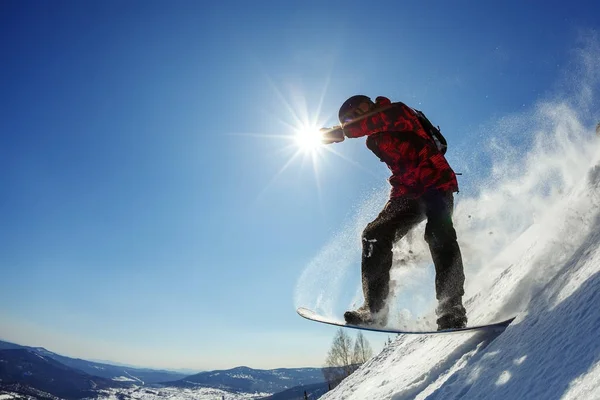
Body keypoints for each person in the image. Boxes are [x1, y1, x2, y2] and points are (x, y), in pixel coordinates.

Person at [320, 95, 467, 331]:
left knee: (439, 234)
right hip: (408, 193)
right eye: (352, 117)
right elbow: (400, 169)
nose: (359, 118)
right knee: (373, 234)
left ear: (371, 105)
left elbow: (376, 121)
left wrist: (341, 131)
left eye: (361, 110)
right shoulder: (374, 141)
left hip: (436, 183)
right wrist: (390, 211)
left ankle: (452, 310)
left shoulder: (397, 112)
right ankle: (374, 310)